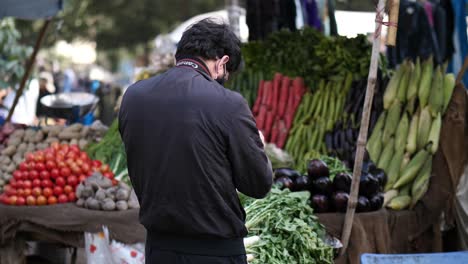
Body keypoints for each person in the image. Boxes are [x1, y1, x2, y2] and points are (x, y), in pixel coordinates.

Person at [118, 18, 273, 264]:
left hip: (159, 250)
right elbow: (258, 184)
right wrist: (258, 145)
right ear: (223, 63)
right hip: (215, 253)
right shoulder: (228, 103)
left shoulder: (133, 97)